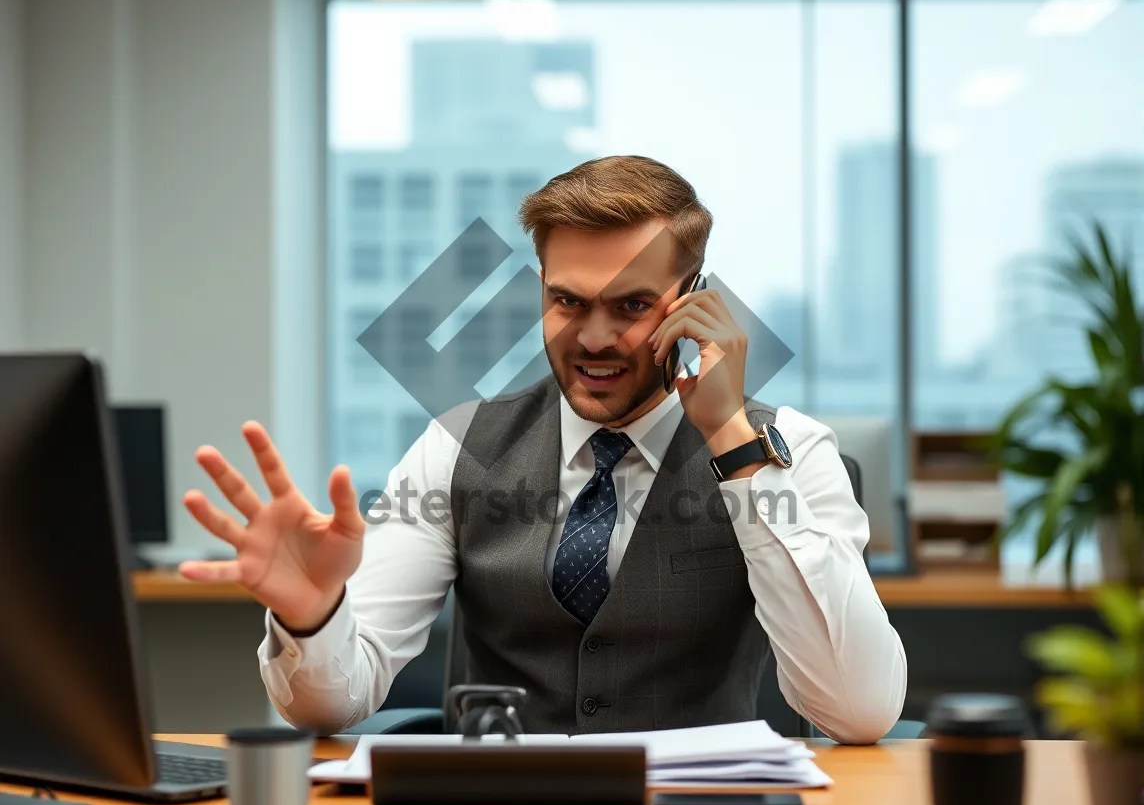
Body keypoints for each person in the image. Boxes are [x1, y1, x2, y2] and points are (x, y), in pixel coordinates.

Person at [179, 155, 907, 743]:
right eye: (568, 302)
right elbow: (329, 706)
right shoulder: (455, 447)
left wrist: (733, 446)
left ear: (695, 299)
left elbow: (860, 711)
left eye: (630, 305)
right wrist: (314, 617)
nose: (593, 338)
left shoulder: (791, 451)